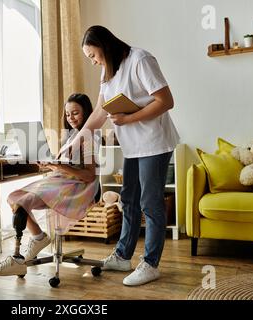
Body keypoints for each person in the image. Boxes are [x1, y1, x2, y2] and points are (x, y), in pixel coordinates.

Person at [61, 25, 180, 286]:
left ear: (104, 46)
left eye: (92, 55)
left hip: (154, 142)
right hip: (133, 145)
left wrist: (129, 118)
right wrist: (78, 138)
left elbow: (166, 101)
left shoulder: (140, 60)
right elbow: (100, 112)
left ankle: (150, 264)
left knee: (150, 202)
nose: (92, 62)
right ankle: (123, 256)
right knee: (129, 198)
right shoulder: (107, 71)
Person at [0, 93, 100, 276]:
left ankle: (16, 257)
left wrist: (58, 165)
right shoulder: (70, 136)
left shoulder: (88, 138)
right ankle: (39, 237)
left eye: (75, 113)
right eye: (67, 114)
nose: (70, 118)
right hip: (60, 180)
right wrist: (50, 164)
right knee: (13, 197)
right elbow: (65, 166)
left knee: (24, 201)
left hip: (79, 186)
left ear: (87, 113)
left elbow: (89, 175)